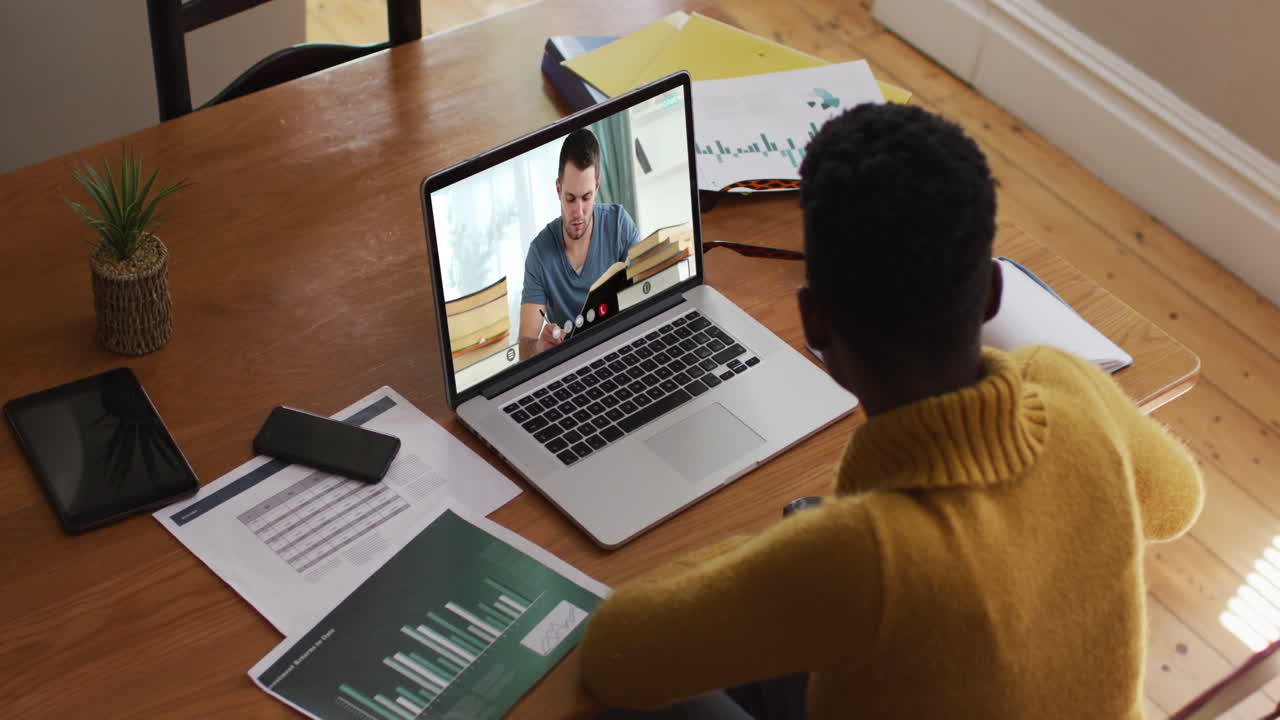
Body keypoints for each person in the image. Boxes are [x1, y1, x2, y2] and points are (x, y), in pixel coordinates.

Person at [577, 104, 1204, 718]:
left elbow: (614, 654)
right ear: (990, 291)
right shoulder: (1068, 384)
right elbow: (1178, 503)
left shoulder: (857, 557)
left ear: (814, 321)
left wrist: (782, 551)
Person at [519, 128, 640, 358]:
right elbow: (524, 347)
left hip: (622, 352)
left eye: (586, 198)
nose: (578, 212)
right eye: (570, 199)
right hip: (570, 366)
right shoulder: (539, 254)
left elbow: (649, 293)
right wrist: (538, 346)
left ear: (597, 187)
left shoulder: (619, 225)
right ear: (558, 189)